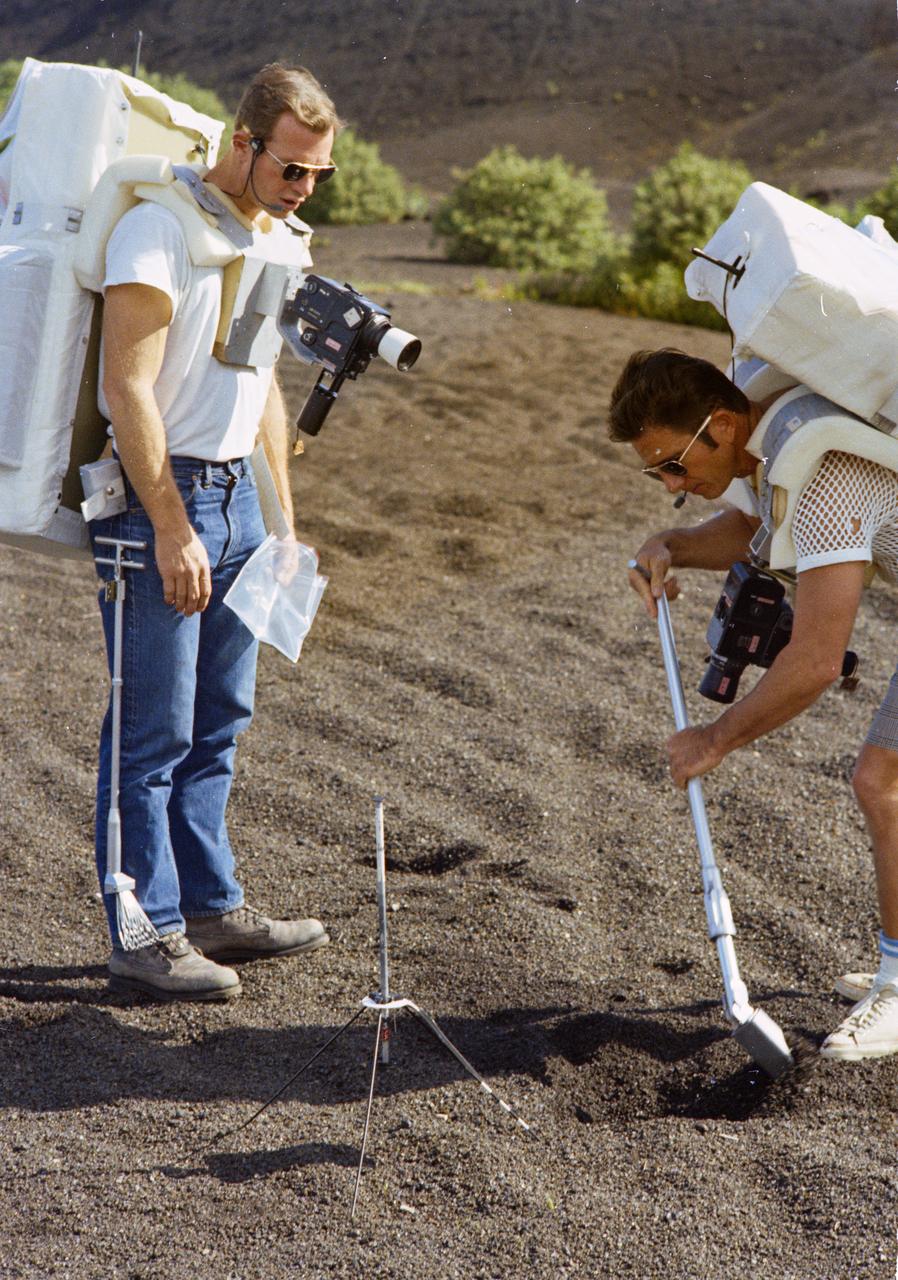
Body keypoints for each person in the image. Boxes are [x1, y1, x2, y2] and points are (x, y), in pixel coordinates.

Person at [91, 63, 341, 1000]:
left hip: (237, 499)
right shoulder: (158, 231)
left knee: (219, 722)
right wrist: (170, 527)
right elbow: (129, 389)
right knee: (149, 734)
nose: (301, 189)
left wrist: (282, 522)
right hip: (160, 500)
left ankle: (209, 909)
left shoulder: (275, 243)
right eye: (290, 170)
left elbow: (263, 388)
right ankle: (141, 931)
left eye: (318, 175)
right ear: (242, 142)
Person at [609, 346, 898, 1060]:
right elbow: (754, 529)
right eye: (656, 473)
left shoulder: (826, 474)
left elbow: (816, 660)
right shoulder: (777, 439)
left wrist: (716, 739)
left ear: (724, 424)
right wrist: (671, 544)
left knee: (881, 781)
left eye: (674, 463)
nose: (672, 483)